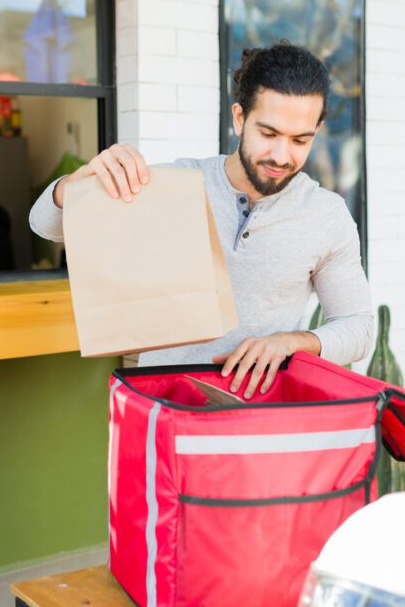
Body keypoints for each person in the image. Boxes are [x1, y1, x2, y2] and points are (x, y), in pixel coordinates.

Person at [29, 42, 373, 398]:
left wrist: (294, 342)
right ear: (239, 118)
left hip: (258, 422)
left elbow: (358, 327)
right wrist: (77, 183)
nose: (282, 156)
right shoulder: (173, 185)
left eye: (300, 140)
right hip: (163, 408)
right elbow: (46, 225)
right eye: (268, 134)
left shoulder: (326, 215)